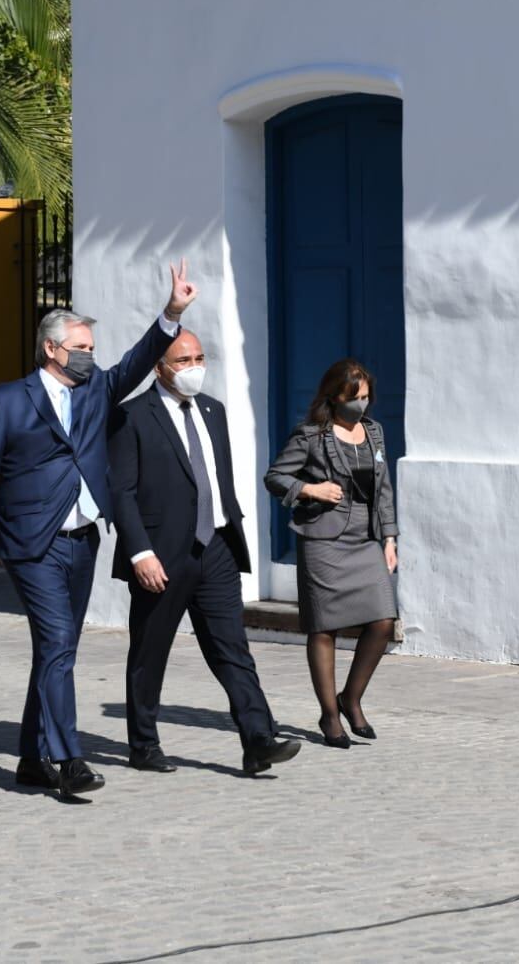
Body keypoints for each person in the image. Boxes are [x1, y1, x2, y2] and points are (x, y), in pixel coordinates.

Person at [0, 261, 198, 798]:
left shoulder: (94, 393)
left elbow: (135, 363)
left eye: (90, 347)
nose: (89, 355)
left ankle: (30, 759)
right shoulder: (8, 400)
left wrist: (172, 312)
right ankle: (67, 761)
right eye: (80, 347)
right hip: (31, 544)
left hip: (81, 541)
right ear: (51, 350)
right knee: (59, 641)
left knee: (56, 650)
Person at [109, 329, 302, 776]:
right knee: (150, 651)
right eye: (183, 360)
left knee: (232, 648)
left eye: (199, 357)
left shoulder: (212, 410)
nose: (194, 367)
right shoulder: (132, 416)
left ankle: (258, 738)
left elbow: (216, 478)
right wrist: (140, 553)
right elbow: (121, 492)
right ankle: (143, 743)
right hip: (161, 555)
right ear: (159, 366)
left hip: (215, 546)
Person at [264, 359, 399, 748]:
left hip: (364, 539)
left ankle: (351, 699)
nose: (362, 404)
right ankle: (329, 714)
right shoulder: (311, 436)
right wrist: (310, 490)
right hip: (323, 539)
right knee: (324, 628)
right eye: (354, 397)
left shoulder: (374, 433)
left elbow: (384, 487)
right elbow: (275, 477)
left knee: (383, 622)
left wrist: (389, 538)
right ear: (334, 397)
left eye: (367, 396)